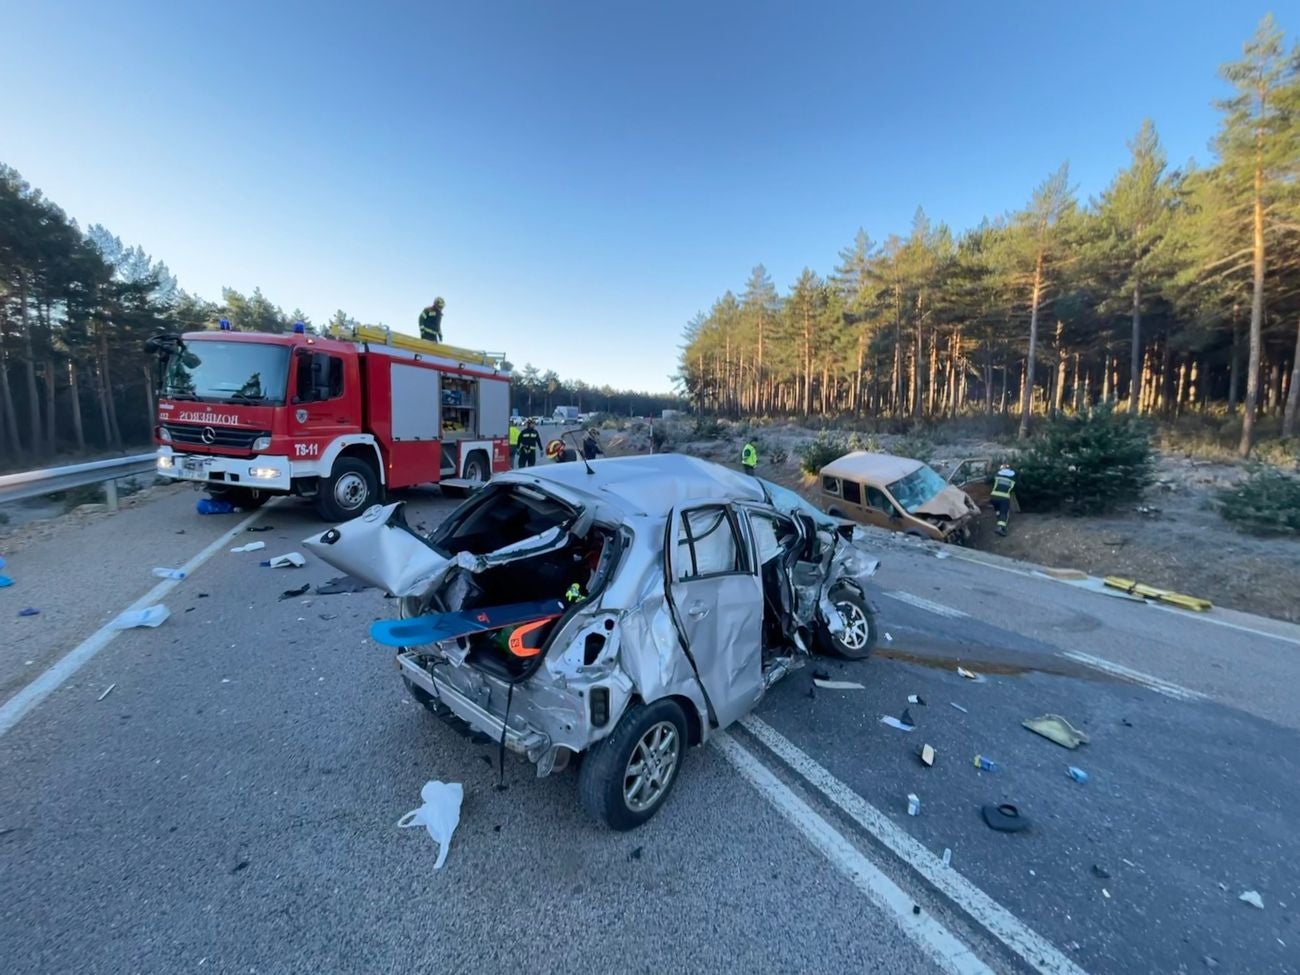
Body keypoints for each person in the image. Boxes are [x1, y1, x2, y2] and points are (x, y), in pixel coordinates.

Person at [990, 464, 1016, 536]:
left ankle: (999, 518)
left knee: (997, 509)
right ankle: (1000, 528)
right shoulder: (1013, 478)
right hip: (1004, 498)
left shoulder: (997, 476)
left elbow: (988, 480)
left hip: (994, 496)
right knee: (1004, 512)